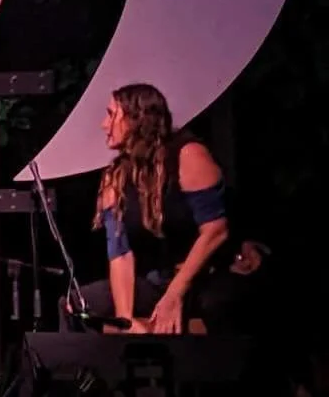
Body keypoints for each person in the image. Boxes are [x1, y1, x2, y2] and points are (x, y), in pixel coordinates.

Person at [76, 82, 231, 334]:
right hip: (155, 280)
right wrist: (125, 320)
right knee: (80, 305)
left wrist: (175, 294)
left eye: (111, 114)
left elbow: (216, 230)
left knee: (221, 305)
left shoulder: (187, 155)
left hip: (198, 276)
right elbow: (120, 253)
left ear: (138, 119)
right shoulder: (115, 178)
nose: (104, 125)